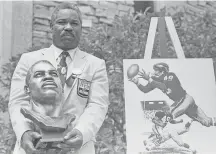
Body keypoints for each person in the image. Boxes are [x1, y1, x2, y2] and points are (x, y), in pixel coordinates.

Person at [9, 2, 109, 154]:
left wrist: (82, 133)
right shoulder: (28, 60)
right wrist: (24, 133)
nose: (68, 27)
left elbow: (97, 105)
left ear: (81, 28)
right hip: (33, 146)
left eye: (74, 23)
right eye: (61, 22)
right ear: (51, 26)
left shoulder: (95, 65)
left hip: (76, 148)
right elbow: (18, 102)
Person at [130, 62, 216, 127]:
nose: (154, 72)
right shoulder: (155, 80)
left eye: (156, 70)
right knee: (207, 122)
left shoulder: (170, 75)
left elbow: (163, 86)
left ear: (163, 70)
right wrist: (137, 83)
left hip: (185, 99)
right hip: (181, 102)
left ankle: (162, 125)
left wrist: (150, 79)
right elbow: (145, 90)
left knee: (169, 113)